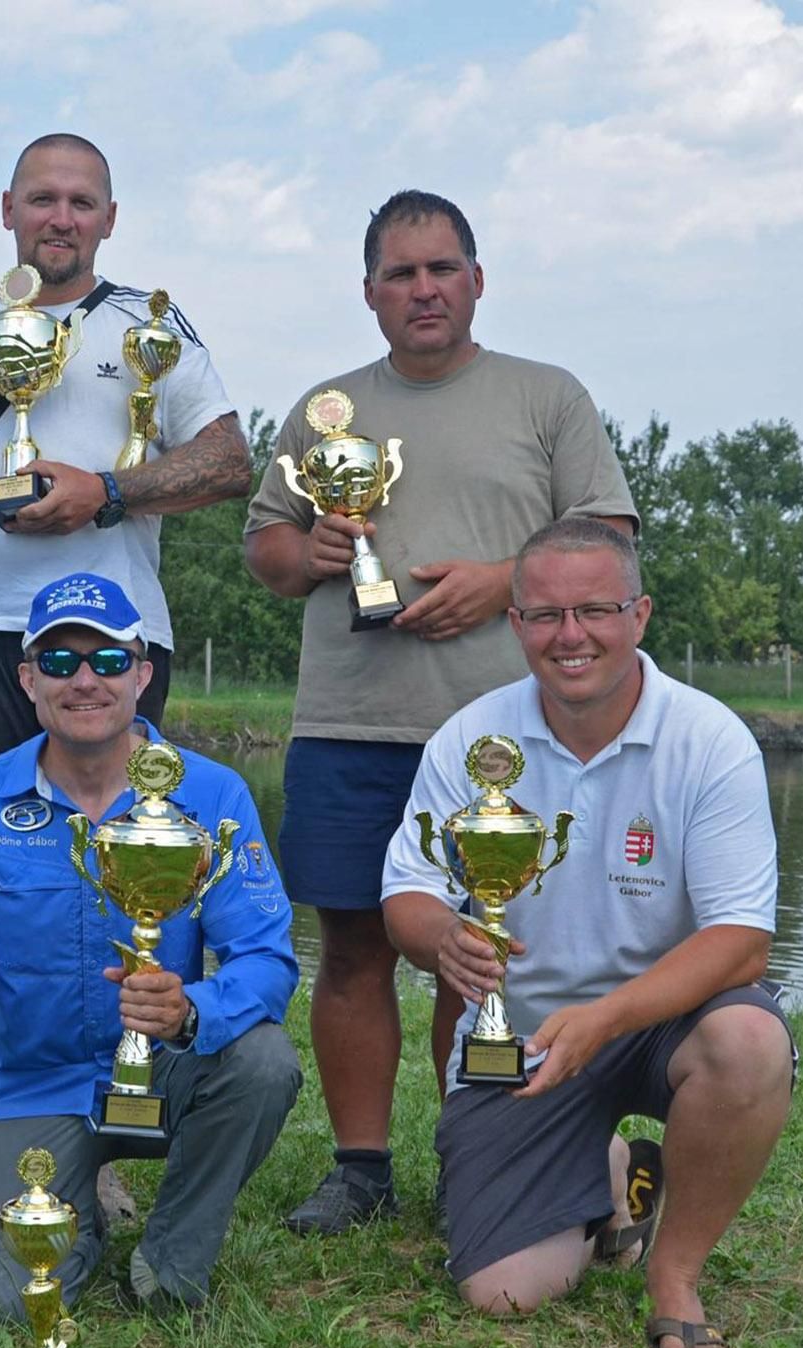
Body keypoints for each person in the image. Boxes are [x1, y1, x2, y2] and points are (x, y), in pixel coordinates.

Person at [0, 134, 254, 1208]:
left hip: (104, 649)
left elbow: (231, 461)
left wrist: (108, 495)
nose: (61, 217)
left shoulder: (150, 329)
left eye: (82, 201)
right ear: (7, 209)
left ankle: (102, 1135)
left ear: (110, 219)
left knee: (108, 891)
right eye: (43, 198)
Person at [243, 190, 639, 1234]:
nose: (423, 288)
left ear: (476, 278)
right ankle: (360, 1170)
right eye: (400, 273)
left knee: (487, 951)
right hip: (351, 723)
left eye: (441, 268)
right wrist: (314, 551)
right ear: (369, 292)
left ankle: (480, 1151)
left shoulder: (547, 398)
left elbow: (608, 536)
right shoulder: (324, 410)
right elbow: (266, 551)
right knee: (355, 950)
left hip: (503, 739)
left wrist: (503, 579)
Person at [379, 518, 794, 1348]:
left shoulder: (709, 739)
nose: (571, 636)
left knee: (749, 1040)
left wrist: (606, 1019)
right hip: (523, 1045)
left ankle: (673, 1277)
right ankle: (615, 1175)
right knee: (502, 1292)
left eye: (595, 610)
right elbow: (406, 894)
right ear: (517, 624)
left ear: (639, 616)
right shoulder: (469, 739)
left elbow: (743, 940)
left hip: (666, 1020)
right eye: (545, 615)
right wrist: (443, 938)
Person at [0, 573, 302, 1315]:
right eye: (60, 660)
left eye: (107, 661)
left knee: (263, 1062)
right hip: (27, 1090)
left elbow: (267, 959)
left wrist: (190, 1011)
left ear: (142, 674)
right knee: (6, 1303)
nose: (84, 680)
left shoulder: (215, 795)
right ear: (27, 679)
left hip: (166, 1072)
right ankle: (82, 1218)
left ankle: (171, 1261)